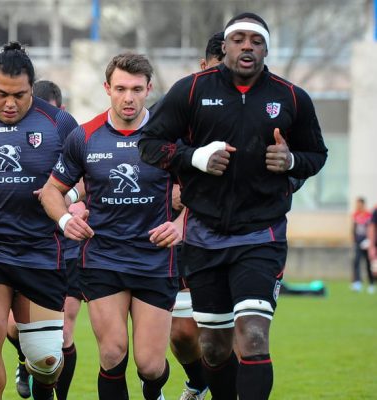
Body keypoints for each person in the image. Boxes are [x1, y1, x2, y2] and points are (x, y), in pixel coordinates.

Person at [139, 13, 328, 400]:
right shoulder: (190, 91)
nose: (247, 47)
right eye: (239, 39)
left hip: (262, 233)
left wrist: (290, 161)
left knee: (254, 334)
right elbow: (149, 144)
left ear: (266, 49)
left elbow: (317, 154)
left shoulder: (291, 97)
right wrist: (195, 158)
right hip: (204, 236)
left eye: (255, 41)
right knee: (213, 346)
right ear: (224, 46)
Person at [43, 52, 179, 400]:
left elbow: (202, 194)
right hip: (103, 259)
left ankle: (154, 391)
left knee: (149, 365)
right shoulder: (85, 136)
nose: (128, 97)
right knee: (112, 352)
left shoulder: (169, 138)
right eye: (120, 88)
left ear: (149, 88)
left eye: (136, 89)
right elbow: (50, 191)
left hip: (155, 260)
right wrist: (64, 218)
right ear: (107, 88)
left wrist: (181, 224)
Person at [0, 42, 78, 400]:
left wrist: (74, 198)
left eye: (19, 95)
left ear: (31, 89)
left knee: (46, 359)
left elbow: (85, 174)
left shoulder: (58, 123)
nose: (10, 103)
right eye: (1, 94)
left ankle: (44, 385)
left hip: (40, 248)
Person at [0, 79, 83, 400]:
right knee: (11, 327)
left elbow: (90, 176)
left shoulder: (70, 135)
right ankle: (24, 359)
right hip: (19, 245)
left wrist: (77, 201)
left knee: (63, 334)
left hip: (66, 246)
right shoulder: (13, 136)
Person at [169, 31, 226, 400]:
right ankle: (197, 382)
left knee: (237, 334)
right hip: (187, 240)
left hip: (241, 238)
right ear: (203, 68)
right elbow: (152, 154)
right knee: (183, 334)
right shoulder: (181, 109)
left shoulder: (263, 110)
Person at [351, 197, 374, 293]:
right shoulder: (355, 214)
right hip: (358, 242)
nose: (357, 206)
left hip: (367, 242)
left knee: (368, 263)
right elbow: (353, 228)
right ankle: (357, 283)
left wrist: (370, 241)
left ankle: (371, 283)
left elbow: (371, 228)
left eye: (359, 204)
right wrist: (353, 238)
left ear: (363, 204)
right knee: (356, 262)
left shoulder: (369, 215)